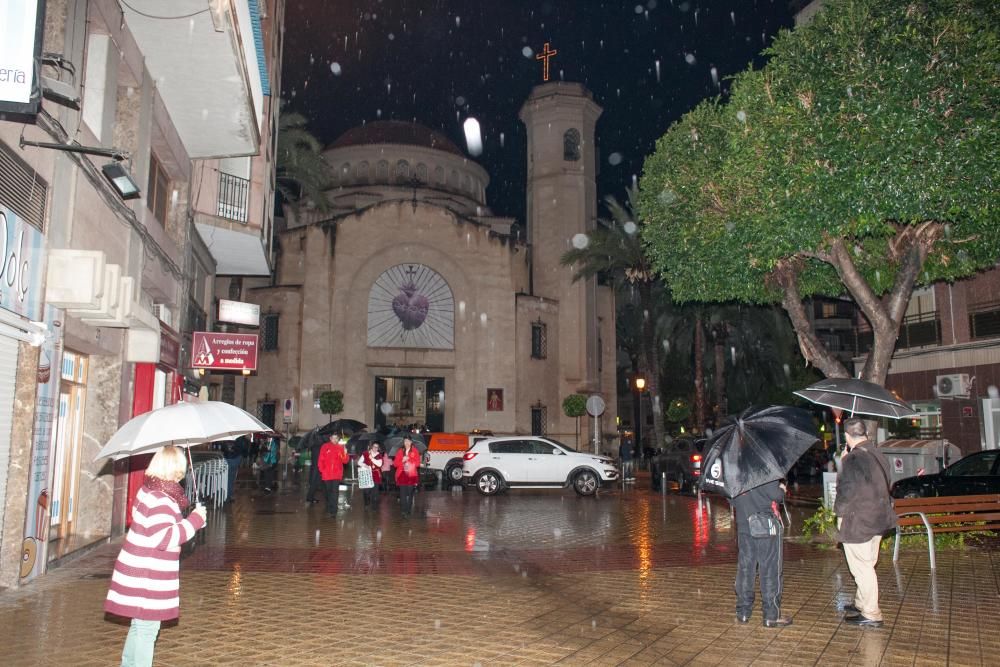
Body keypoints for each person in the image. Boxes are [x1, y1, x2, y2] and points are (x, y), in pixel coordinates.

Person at [105, 446, 207, 667]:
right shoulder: (162, 500)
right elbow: (164, 537)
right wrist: (195, 521)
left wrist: (189, 520)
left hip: (138, 569)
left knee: (139, 626)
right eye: (182, 467)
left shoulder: (149, 490)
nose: (184, 472)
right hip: (147, 576)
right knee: (147, 630)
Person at [835, 418, 897, 628]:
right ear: (865, 434)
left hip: (859, 520)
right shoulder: (878, 454)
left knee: (861, 567)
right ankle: (862, 602)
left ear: (847, 436)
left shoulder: (852, 459)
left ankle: (872, 613)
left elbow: (846, 491)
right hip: (879, 517)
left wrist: (839, 516)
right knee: (868, 563)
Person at [730, 479, 791, 627]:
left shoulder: (734, 471)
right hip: (765, 524)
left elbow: (730, 497)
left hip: (744, 525)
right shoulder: (764, 469)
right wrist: (782, 488)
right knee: (770, 569)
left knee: (746, 568)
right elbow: (775, 494)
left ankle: (743, 612)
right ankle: (771, 615)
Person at [317, 433, 349, 517]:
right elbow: (321, 459)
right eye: (333, 438)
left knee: (335, 492)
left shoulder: (341, 447)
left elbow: (345, 461)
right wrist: (322, 470)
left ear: (338, 439)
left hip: (336, 474)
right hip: (326, 474)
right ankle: (329, 505)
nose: (335, 440)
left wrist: (345, 453)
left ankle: (333, 511)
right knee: (328, 492)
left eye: (336, 438)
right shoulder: (325, 446)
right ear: (330, 438)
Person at [394, 436, 422, 517]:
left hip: (411, 475)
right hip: (402, 475)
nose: (407, 443)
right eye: (405, 441)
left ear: (411, 442)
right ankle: (403, 510)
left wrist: (409, 459)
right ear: (403, 442)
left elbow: (417, 463)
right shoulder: (400, 451)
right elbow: (395, 464)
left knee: (410, 494)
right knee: (402, 494)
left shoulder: (415, 451)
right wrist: (402, 460)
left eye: (408, 441)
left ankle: (408, 509)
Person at [358, 442, 384, 510]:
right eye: (374, 446)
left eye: (377, 447)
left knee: (375, 492)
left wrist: (372, 458)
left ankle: (374, 506)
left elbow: (379, 464)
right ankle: (366, 503)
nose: (375, 448)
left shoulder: (379, 455)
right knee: (366, 491)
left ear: (378, 448)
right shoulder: (366, 453)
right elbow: (359, 462)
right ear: (371, 447)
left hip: (376, 475)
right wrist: (365, 465)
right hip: (367, 474)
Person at [221, 435, 247, 502]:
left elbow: (223, 448)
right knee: (231, 478)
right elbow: (243, 448)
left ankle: (227, 495)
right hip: (236, 458)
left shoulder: (226, 435)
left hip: (227, 458)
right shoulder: (239, 436)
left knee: (227, 478)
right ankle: (229, 495)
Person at [305, 432, 326, 504]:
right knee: (316, 482)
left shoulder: (314, 445)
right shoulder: (319, 447)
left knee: (318, 483)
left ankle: (310, 497)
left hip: (315, 468)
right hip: (318, 468)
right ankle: (310, 497)